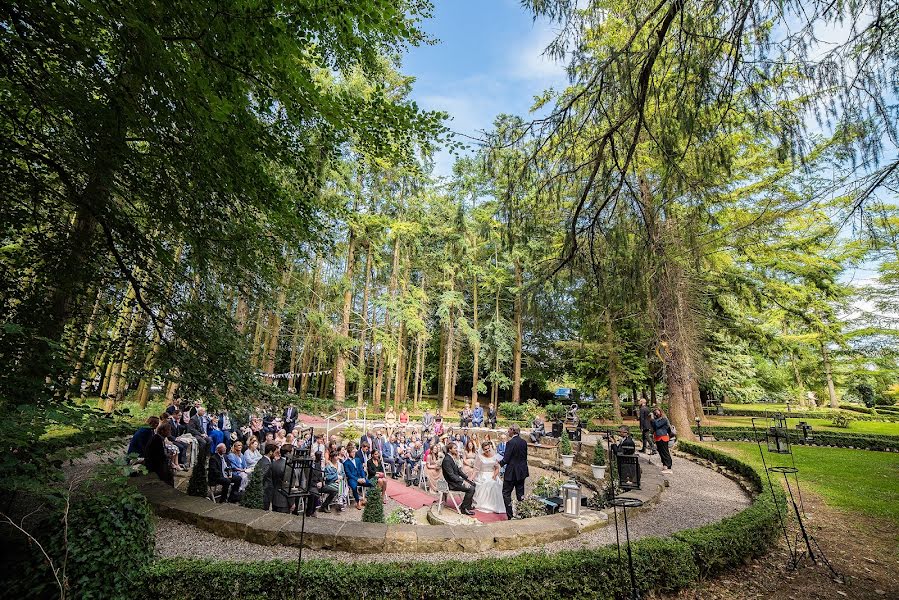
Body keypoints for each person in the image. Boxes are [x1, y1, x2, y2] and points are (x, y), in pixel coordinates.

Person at [499, 424, 529, 520]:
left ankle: (510, 515)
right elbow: (524, 457)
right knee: (520, 494)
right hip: (521, 472)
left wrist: (498, 464)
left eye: (509, 430)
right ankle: (522, 513)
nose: (508, 432)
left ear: (513, 431)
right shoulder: (524, 442)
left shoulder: (510, 443)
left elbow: (506, 459)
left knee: (506, 493)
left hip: (511, 473)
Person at [441, 442, 476, 515]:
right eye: (455, 448)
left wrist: (467, 478)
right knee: (471, 488)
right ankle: (464, 508)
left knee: (473, 484)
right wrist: (463, 481)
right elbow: (451, 476)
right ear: (450, 450)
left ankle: (467, 505)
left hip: (456, 481)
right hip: (451, 484)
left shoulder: (451, 458)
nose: (457, 449)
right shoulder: (447, 460)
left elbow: (459, 471)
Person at [472, 441, 504, 513]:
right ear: (483, 449)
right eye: (485, 449)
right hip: (482, 475)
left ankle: (495, 505)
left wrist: (495, 476)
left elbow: (497, 468)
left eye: (488, 448)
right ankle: (487, 504)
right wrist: (471, 478)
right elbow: (476, 469)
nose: (487, 450)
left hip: (492, 475)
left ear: (490, 448)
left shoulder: (494, 456)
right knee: (489, 485)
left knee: (496, 484)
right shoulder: (480, 457)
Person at [144, 421, 174, 486]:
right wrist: (167, 456)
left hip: (157, 462)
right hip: (154, 464)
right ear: (162, 431)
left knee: (170, 473)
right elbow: (158, 455)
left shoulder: (159, 438)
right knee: (168, 476)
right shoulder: (157, 439)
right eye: (168, 430)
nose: (170, 432)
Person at [343, 444, 370, 509]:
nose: (354, 453)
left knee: (371, 483)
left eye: (354, 452)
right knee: (354, 487)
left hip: (360, 478)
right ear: (349, 453)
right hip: (352, 479)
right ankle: (358, 502)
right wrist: (357, 479)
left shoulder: (358, 460)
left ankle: (367, 500)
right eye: (352, 452)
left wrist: (363, 477)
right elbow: (348, 474)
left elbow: (361, 470)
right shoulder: (346, 463)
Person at [652, 408, 673, 473]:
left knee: (665, 452)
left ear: (661, 412)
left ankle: (668, 467)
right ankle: (664, 465)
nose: (656, 414)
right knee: (661, 452)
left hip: (663, 437)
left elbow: (657, 425)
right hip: (658, 437)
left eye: (657, 412)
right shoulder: (656, 419)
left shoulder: (664, 419)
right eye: (655, 412)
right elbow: (653, 427)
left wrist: (653, 419)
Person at [258, 442, 278, 511]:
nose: (276, 454)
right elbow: (261, 477)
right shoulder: (266, 463)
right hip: (266, 490)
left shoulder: (265, 460)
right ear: (270, 452)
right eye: (275, 452)